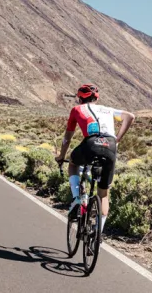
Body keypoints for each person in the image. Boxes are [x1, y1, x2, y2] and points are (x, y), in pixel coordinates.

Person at [54, 83, 135, 236]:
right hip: (110, 146)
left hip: (90, 143)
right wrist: (117, 140)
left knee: (73, 164)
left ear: (79, 98)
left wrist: (61, 156)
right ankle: (97, 232)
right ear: (96, 98)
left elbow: (67, 138)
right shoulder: (108, 110)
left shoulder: (77, 109)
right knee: (103, 194)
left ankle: (78, 198)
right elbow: (130, 116)